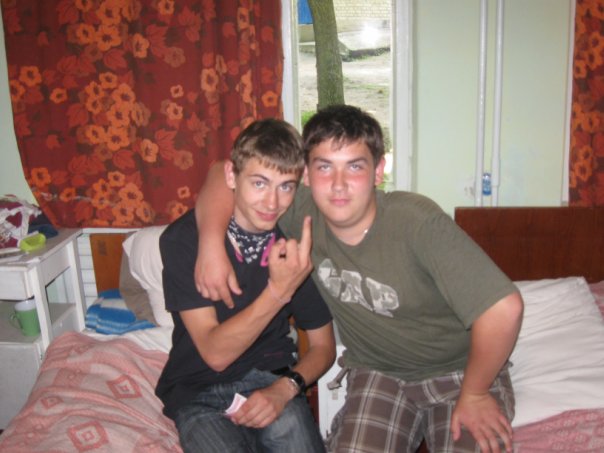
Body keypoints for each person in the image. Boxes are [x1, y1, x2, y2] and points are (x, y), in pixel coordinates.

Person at [193, 105, 524, 453]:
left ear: (378, 171)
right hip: (379, 373)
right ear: (306, 173)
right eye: (324, 167)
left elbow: (504, 309)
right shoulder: (300, 211)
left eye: (354, 166)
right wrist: (211, 244)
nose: (338, 185)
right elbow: (222, 171)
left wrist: (476, 393)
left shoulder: (416, 223)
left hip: (459, 372)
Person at [156, 118, 336, 453]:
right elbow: (215, 354)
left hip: (271, 381)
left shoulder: (291, 247)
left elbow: (324, 345)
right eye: (259, 183)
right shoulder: (184, 240)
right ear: (232, 177)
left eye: (286, 187)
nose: (272, 203)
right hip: (197, 391)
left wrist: (286, 387)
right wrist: (278, 292)